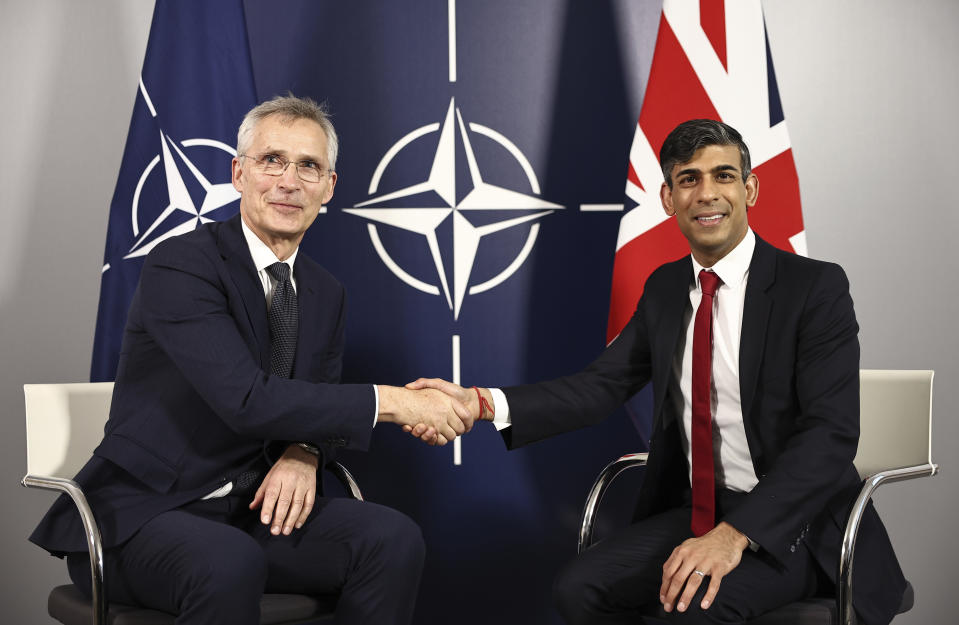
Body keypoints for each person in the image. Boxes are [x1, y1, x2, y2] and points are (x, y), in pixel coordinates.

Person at [409, 119, 905, 624]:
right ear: (668, 199)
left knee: (691, 610)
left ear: (750, 188)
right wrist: (482, 403)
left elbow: (831, 435)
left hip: (795, 523)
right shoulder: (667, 289)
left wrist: (734, 537)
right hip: (701, 513)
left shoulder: (814, 287)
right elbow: (599, 387)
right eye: (689, 179)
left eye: (724, 176)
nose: (707, 194)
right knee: (578, 588)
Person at [30, 95, 473, 625]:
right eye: (272, 160)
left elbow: (317, 403)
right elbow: (245, 399)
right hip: (144, 512)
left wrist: (304, 452)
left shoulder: (325, 292)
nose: (289, 181)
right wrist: (396, 402)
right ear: (239, 173)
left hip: (254, 510)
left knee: (392, 539)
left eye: (309, 166)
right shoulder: (181, 265)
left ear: (328, 188)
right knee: (227, 561)